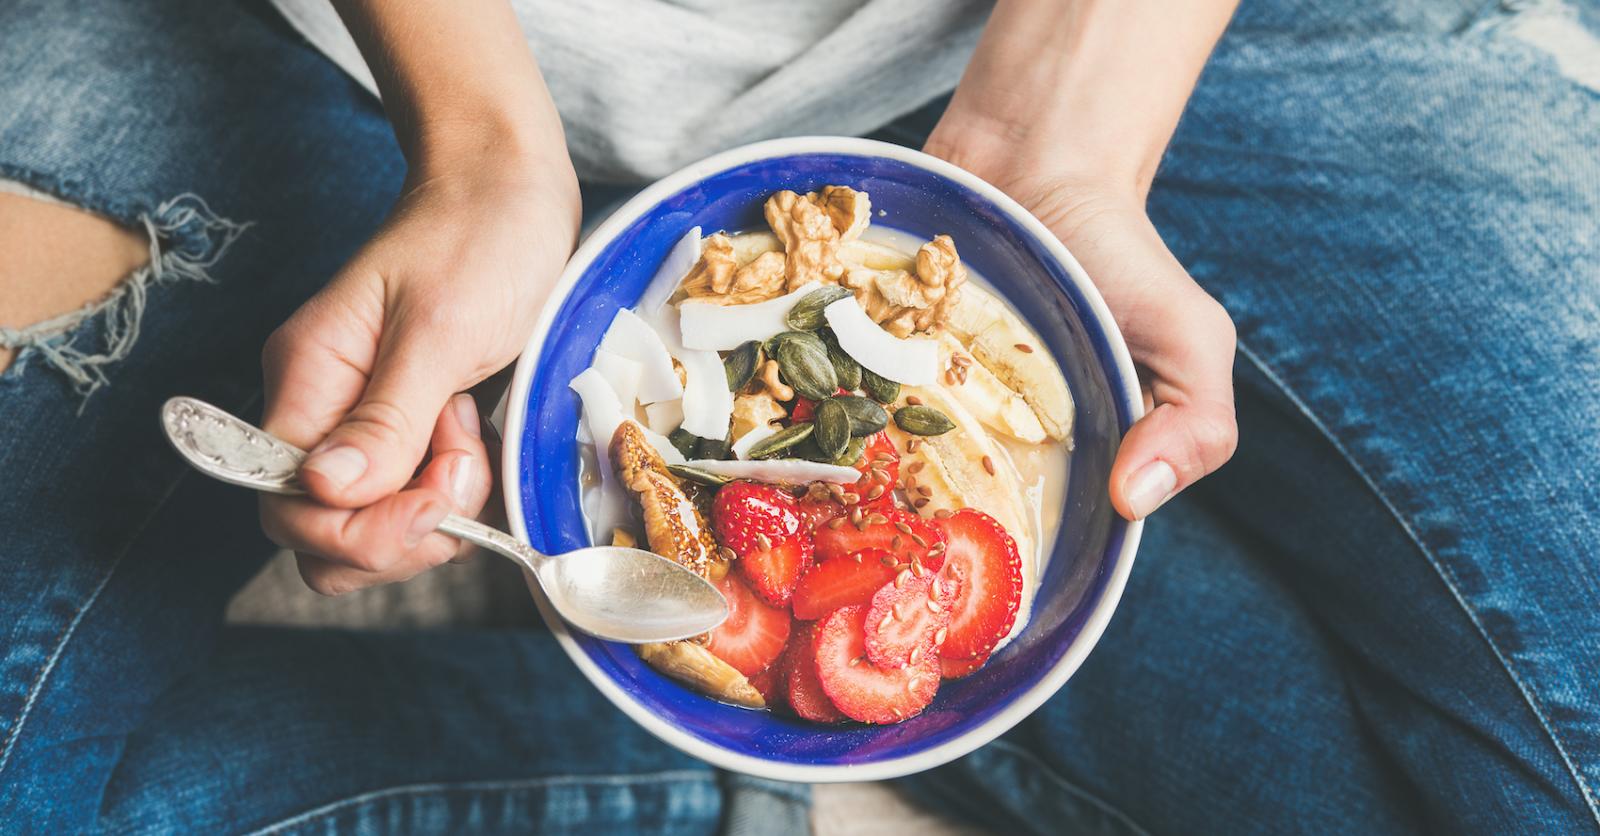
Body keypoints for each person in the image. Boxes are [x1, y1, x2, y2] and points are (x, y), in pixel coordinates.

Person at [1, 0, 1596, 831]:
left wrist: (1069, 129)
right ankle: (733, 781)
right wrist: (479, 138)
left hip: (1122, 53)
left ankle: (997, 657)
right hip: (337, 48)